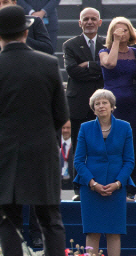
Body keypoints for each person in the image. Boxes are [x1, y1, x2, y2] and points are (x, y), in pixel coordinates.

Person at [0, 5, 69, 256]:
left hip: (4, 152)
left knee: (8, 220)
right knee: (50, 219)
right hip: (42, 150)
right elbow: (61, 114)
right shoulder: (48, 64)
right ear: (27, 32)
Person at [74, 89, 134, 256]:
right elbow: (78, 161)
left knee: (114, 232)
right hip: (91, 187)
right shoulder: (85, 129)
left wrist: (118, 183)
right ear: (93, 109)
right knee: (92, 232)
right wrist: (93, 184)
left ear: (112, 106)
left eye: (104, 103)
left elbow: (129, 161)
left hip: (117, 187)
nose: (101, 106)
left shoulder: (125, 127)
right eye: (97, 104)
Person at [99, 17, 136, 197]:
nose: (121, 34)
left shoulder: (134, 52)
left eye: (125, 30)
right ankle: (113, 185)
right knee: (114, 144)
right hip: (112, 104)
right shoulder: (103, 52)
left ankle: (131, 187)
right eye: (117, 30)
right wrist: (115, 41)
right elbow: (111, 64)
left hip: (132, 103)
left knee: (132, 144)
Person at [63, 7, 105, 151]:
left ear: (99, 22)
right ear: (80, 23)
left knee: (102, 148)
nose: (89, 22)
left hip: (102, 106)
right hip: (78, 106)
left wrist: (88, 65)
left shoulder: (108, 44)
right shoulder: (69, 45)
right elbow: (73, 71)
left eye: (93, 19)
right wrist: (99, 69)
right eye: (85, 19)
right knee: (79, 150)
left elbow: (110, 68)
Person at [60, 120, 74, 190]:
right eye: (63, 128)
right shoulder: (55, 145)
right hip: (59, 184)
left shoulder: (76, 144)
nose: (65, 130)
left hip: (72, 183)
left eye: (68, 128)